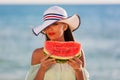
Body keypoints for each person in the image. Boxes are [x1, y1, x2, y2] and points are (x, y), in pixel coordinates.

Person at [25, 6, 89, 80]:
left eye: (55, 24)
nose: (49, 28)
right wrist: (42, 69)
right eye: (47, 26)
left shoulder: (78, 53)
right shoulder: (37, 54)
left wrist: (79, 70)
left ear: (65, 27)